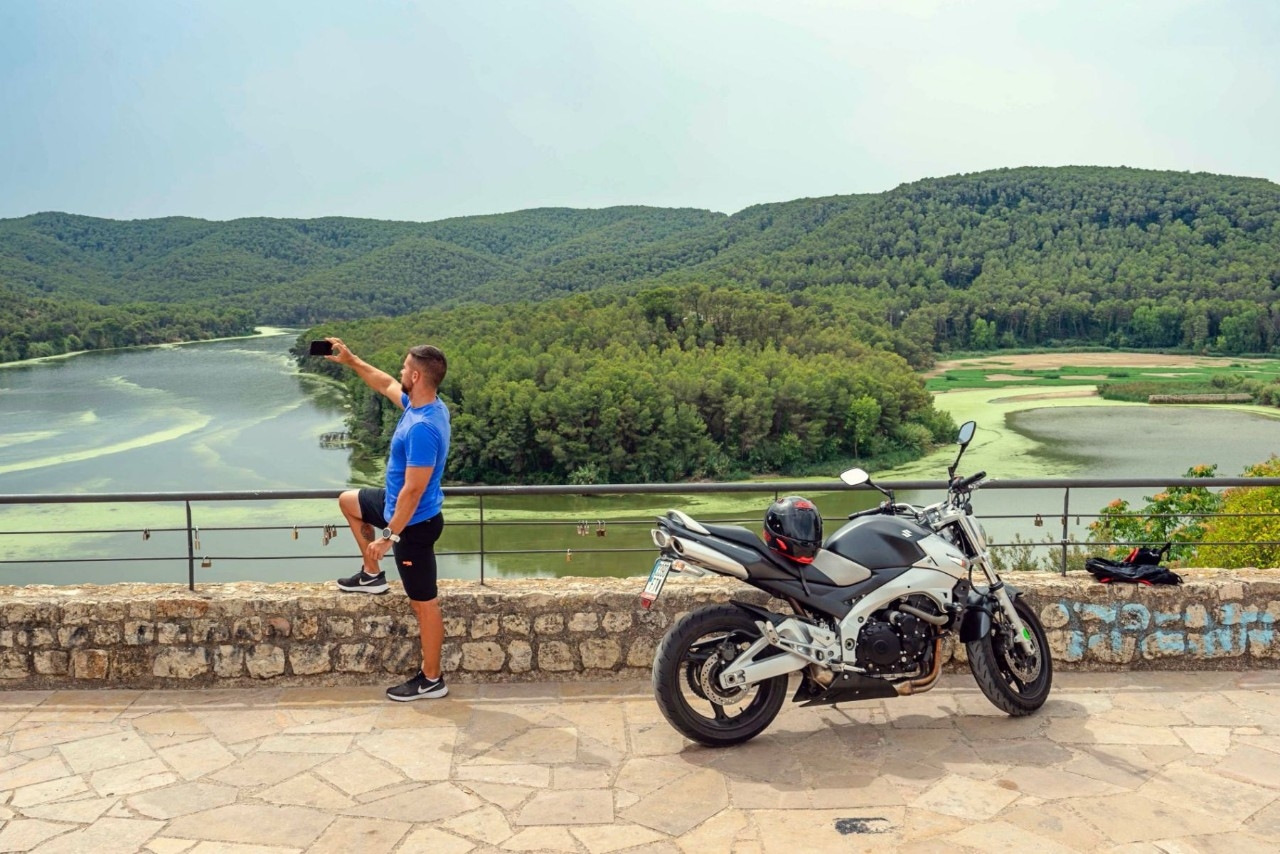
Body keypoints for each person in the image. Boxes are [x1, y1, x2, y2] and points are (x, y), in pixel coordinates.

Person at [325, 337, 452, 702]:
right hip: (395, 506)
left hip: (413, 525)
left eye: (403, 367)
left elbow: (414, 490)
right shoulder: (422, 404)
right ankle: (372, 575)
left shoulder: (423, 428)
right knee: (348, 501)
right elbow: (383, 383)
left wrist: (389, 537)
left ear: (416, 374)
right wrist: (351, 360)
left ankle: (432, 679)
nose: (399, 372)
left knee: (424, 604)